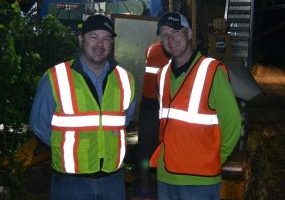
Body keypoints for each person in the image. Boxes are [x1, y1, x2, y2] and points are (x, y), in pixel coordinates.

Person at [29, 14, 136, 200]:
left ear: (112, 44)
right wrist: (65, 146)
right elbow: (39, 125)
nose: (99, 44)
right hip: (70, 183)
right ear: (81, 39)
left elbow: (125, 119)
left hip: (113, 180)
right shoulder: (55, 77)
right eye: (93, 37)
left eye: (106, 39)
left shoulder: (126, 79)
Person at [150, 12, 241, 200]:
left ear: (189, 34)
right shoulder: (162, 74)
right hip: (165, 176)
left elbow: (232, 124)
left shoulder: (212, 70)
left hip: (199, 180)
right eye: (165, 34)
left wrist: (214, 161)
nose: (171, 38)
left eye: (176, 32)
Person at [137, 41, 170, 197]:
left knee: (145, 148)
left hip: (147, 104)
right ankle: (160, 187)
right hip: (163, 105)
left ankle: (145, 189)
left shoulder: (150, 47)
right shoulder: (176, 51)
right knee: (164, 147)